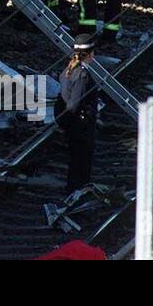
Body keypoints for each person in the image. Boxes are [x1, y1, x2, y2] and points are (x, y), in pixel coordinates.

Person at [56, 38, 99, 193]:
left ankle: (74, 189)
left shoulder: (67, 70)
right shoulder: (82, 75)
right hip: (81, 126)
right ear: (89, 54)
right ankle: (77, 191)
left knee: (75, 160)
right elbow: (73, 104)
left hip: (74, 126)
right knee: (81, 161)